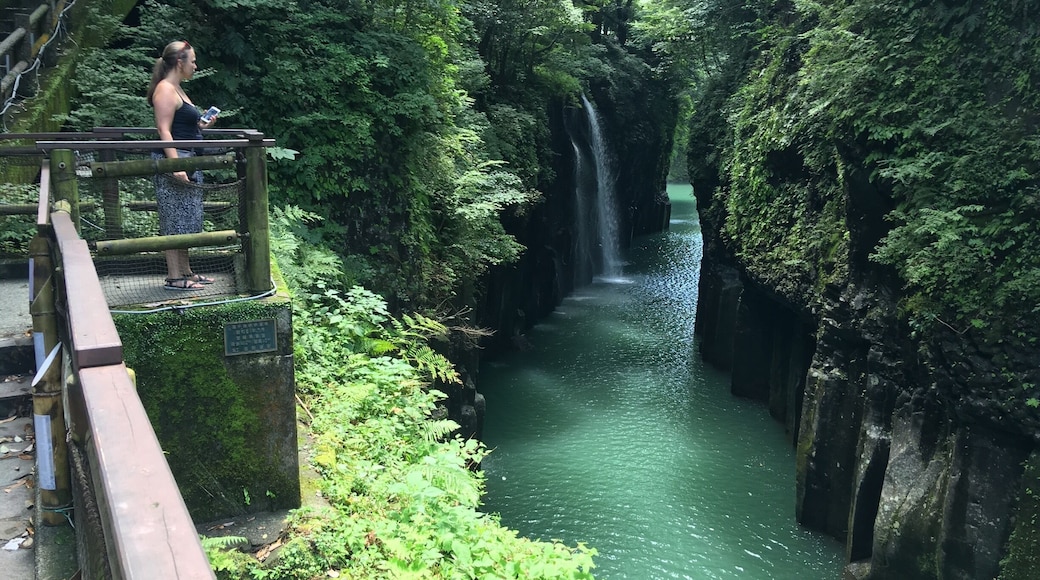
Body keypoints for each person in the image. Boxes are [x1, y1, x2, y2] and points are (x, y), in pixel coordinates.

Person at [147, 40, 219, 290]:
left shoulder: (177, 89)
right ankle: (175, 277)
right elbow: (163, 129)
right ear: (180, 62)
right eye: (193, 61)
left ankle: (186, 271)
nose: (196, 66)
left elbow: (182, 125)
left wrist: (201, 126)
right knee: (174, 219)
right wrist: (175, 166)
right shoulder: (165, 89)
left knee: (185, 219)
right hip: (176, 159)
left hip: (187, 157)